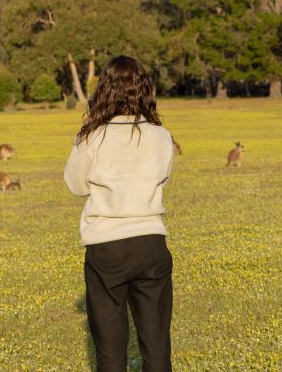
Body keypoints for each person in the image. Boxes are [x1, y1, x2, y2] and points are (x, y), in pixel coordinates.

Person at [64, 56, 174, 371]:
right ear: (144, 89)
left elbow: (75, 184)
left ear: (105, 89)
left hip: (107, 246)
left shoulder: (91, 136)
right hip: (151, 242)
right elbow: (163, 177)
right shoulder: (160, 135)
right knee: (156, 347)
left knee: (110, 352)